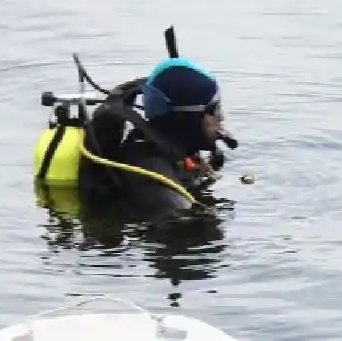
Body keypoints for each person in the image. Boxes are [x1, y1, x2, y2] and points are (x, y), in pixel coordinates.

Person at [78, 58, 229, 220]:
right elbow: (181, 228)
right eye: (214, 111)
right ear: (189, 118)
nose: (221, 118)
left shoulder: (162, 148)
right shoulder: (156, 183)